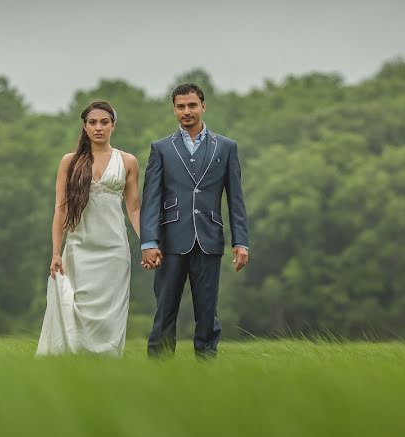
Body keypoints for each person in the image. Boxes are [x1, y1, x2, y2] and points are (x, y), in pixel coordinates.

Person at [140, 83, 249, 358]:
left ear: (203, 106)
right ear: (174, 109)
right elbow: (151, 198)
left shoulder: (226, 147)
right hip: (170, 242)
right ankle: (158, 373)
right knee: (164, 311)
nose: (186, 111)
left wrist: (241, 242)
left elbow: (235, 199)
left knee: (207, 312)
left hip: (209, 240)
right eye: (180, 106)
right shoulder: (161, 149)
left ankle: (206, 371)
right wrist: (149, 241)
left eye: (192, 105)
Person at [36, 101, 141, 355]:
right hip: (79, 249)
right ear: (84, 126)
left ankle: (107, 367)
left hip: (114, 251)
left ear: (113, 125)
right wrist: (56, 252)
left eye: (104, 122)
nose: (98, 128)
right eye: (92, 122)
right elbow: (60, 210)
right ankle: (73, 364)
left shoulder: (127, 161)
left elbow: (134, 209)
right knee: (76, 308)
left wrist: (149, 244)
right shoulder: (70, 162)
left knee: (111, 315)